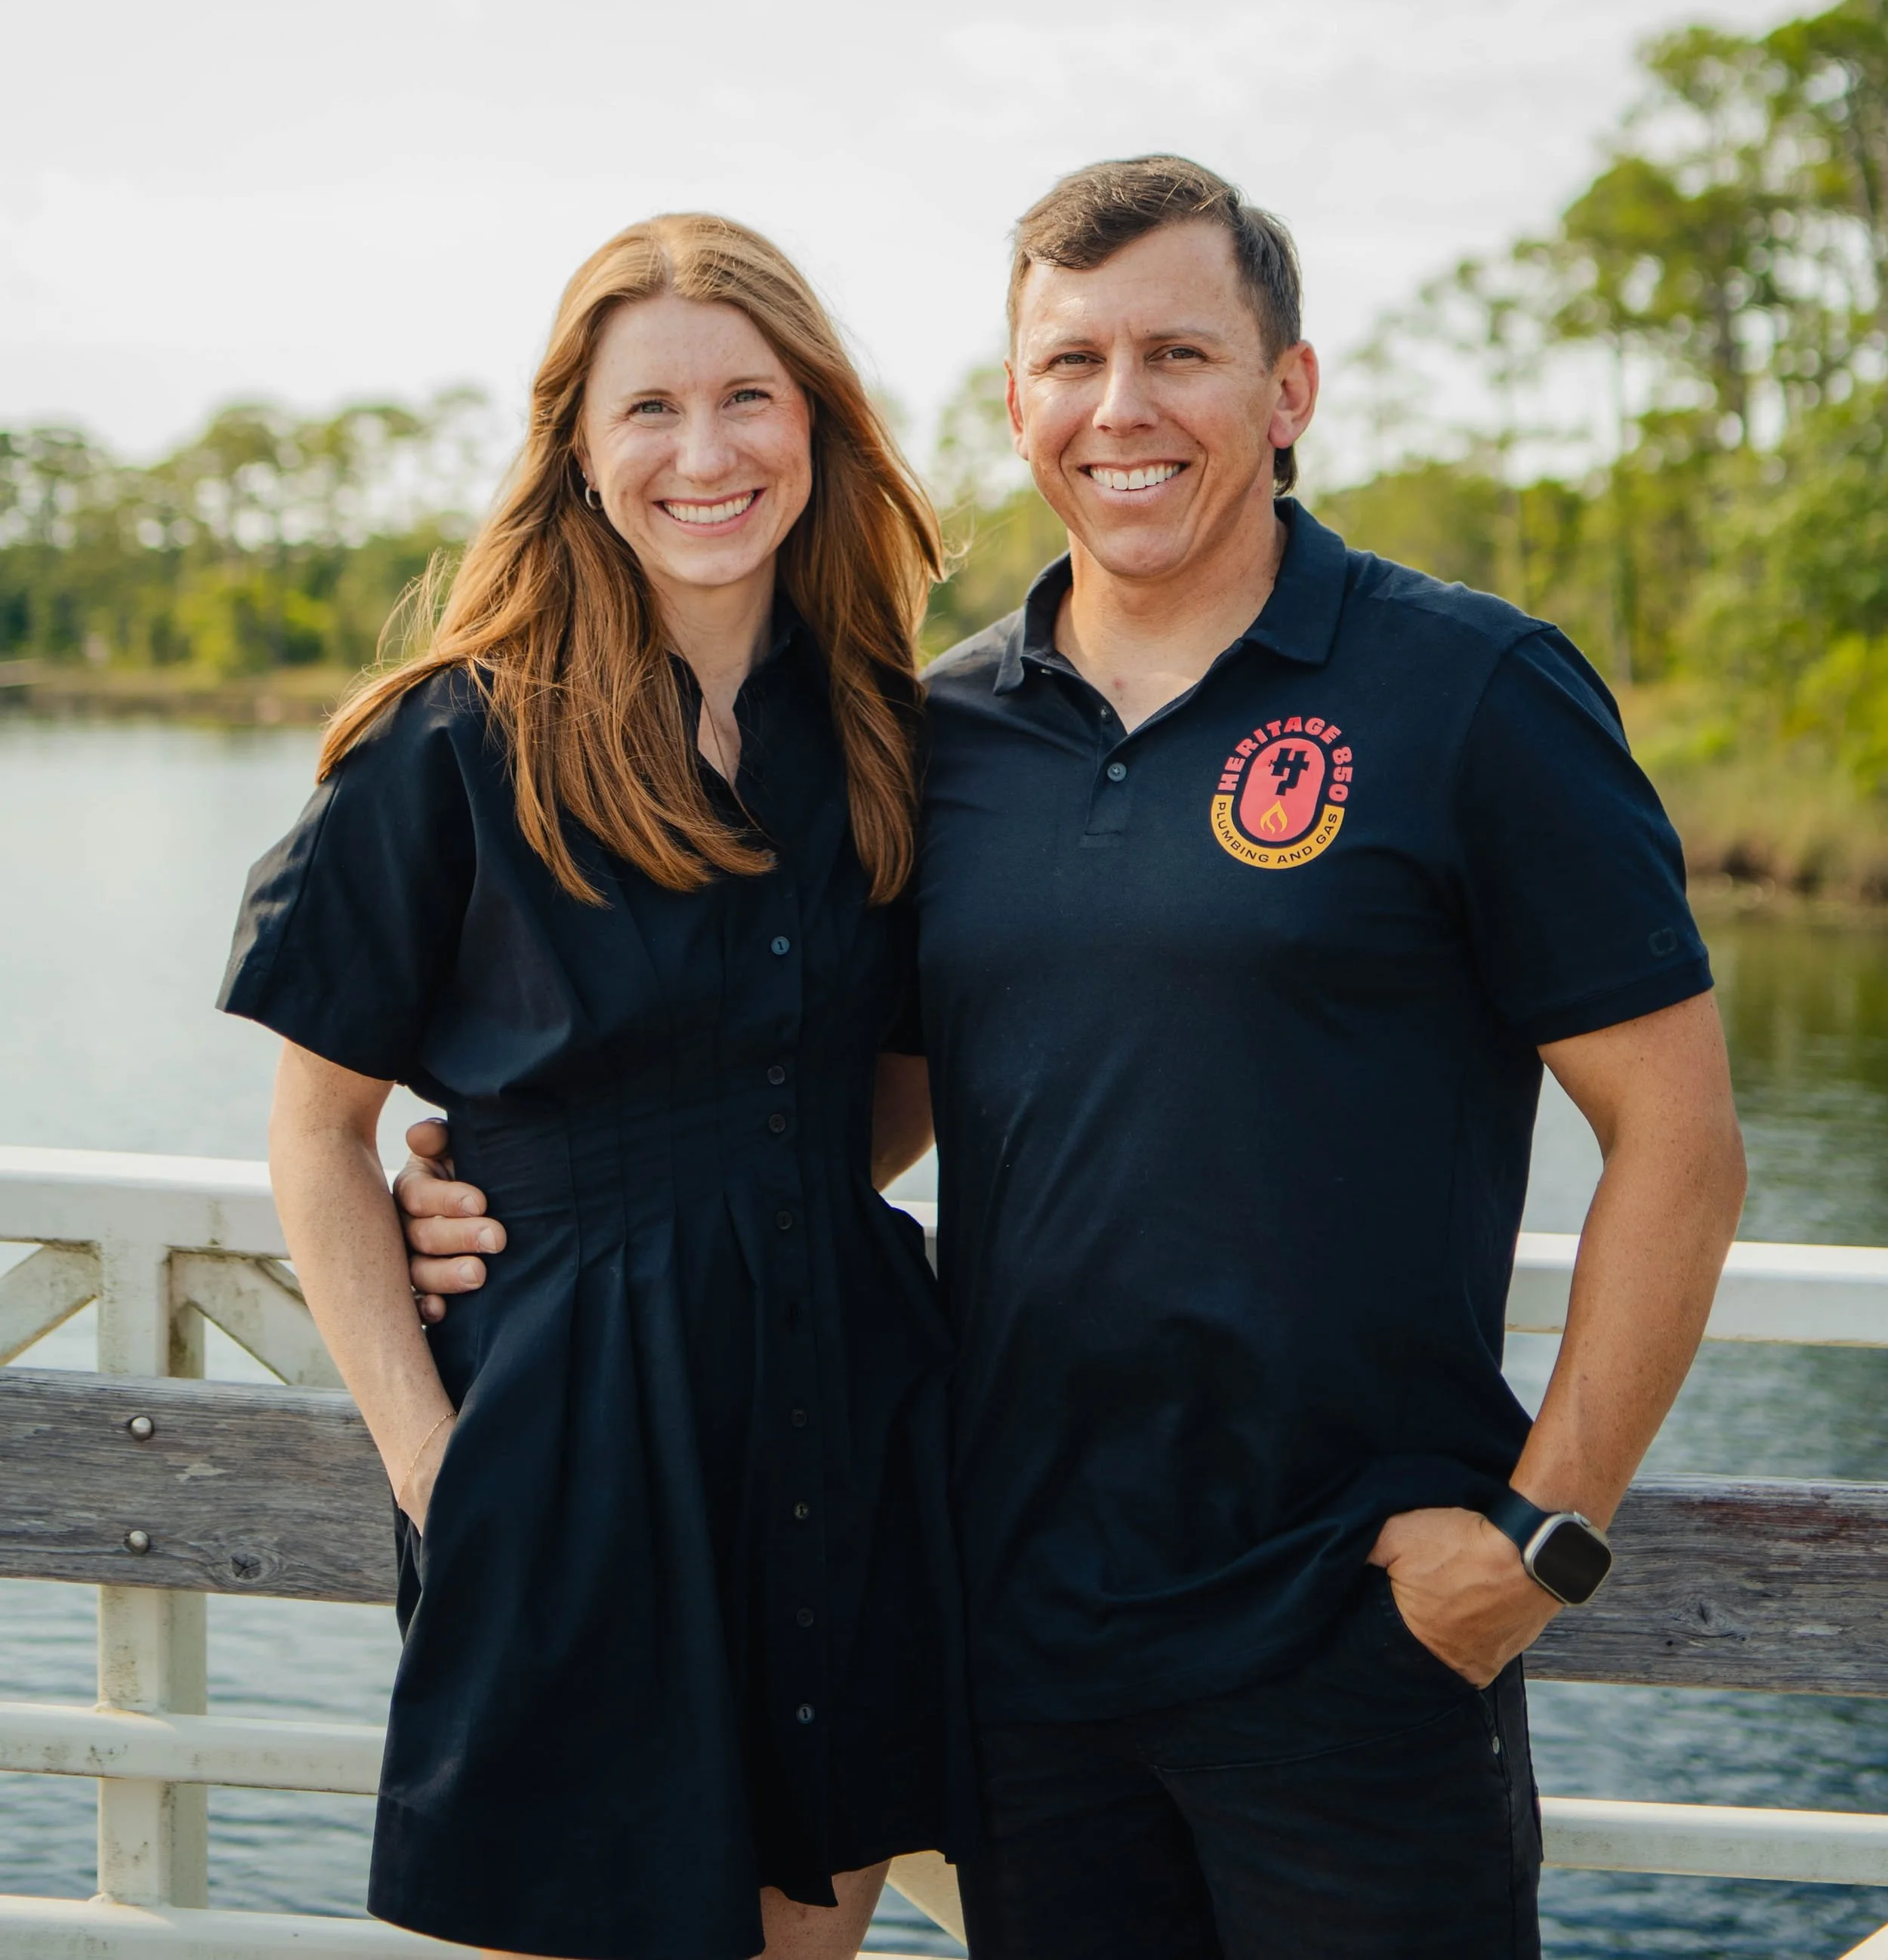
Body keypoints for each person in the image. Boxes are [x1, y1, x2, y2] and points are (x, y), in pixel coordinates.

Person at [402, 156, 1748, 1960]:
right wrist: (531, 1196)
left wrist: (1535, 1542)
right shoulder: (929, 735)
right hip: (1014, 1635)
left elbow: (1677, 1142)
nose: (1119, 410)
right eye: (1068, 362)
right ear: (1020, 401)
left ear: (1287, 393)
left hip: (1351, 1629)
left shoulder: (1467, 695)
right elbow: (837, 1106)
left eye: (1178, 354)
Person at [221, 215, 964, 1960]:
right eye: (648, 410)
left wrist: (730, 1184)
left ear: (817, 425)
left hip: (840, 1424)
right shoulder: (451, 742)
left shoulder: (884, 736)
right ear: (575, 444)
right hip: (558, 1453)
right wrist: (433, 1462)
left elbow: (897, 1078)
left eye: (745, 399)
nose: (701, 454)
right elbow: (320, 1135)